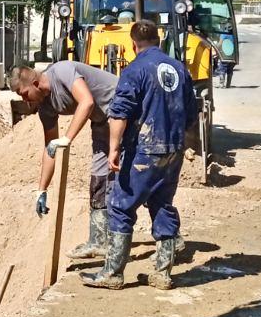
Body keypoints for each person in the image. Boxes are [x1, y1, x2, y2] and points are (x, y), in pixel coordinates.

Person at [84, 20, 198, 292]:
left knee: (121, 206)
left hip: (145, 149)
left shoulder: (135, 70)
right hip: (173, 149)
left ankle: (112, 273)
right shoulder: (180, 69)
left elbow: (120, 113)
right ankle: (162, 274)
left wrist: (113, 149)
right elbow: (191, 114)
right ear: (159, 40)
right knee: (162, 205)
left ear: (133, 44)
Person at [8, 60, 118, 264]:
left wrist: (67, 138)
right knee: (98, 179)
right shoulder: (45, 107)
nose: (25, 101)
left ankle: (167, 233)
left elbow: (87, 102)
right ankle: (98, 241)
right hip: (101, 121)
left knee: (133, 176)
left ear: (34, 83)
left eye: (23, 94)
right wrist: (42, 189)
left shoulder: (62, 71)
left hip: (122, 109)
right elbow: (50, 148)